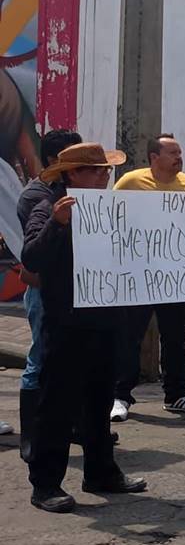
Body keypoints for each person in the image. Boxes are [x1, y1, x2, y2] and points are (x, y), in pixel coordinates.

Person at [22, 143, 146, 513]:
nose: (103, 177)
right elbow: (32, 258)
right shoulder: (49, 208)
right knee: (57, 405)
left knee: (99, 402)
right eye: (94, 171)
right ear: (72, 174)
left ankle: (101, 471)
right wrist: (58, 225)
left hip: (106, 320)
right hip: (66, 324)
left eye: (105, 172)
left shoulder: (113, 210)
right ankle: (45, 486)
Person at [111, 134, 185, 421]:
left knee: (176, 339)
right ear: (154, 157)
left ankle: (177, 394)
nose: (180, 157)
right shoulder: (129, 182)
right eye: (173, 153)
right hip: (137, 276)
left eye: (180, 152)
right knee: (129, 337)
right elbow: (112, 221)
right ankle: (120, 396)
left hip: (175, 278)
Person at [15, 129, 82, 456]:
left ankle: (71, 426)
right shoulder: (38, 197)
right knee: (39, 359)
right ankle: (31, 436)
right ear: (57, 161)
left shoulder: (82, 195)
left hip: (75, 290)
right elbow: (39, 251)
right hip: (44, 289)